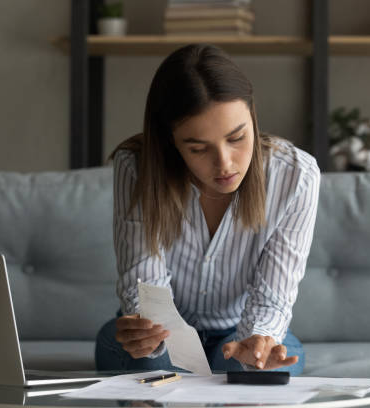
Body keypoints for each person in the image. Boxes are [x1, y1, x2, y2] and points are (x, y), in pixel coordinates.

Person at [95, 43, 320, 375]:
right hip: (163, 334)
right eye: (198, 148)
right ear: (171, 142)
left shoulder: (296, 176)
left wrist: (257, 342)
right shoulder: (138, 168)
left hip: (241, 327)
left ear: (253, 117)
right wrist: (149, 337)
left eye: (237, 138)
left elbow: (272, 299)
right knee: (150, 363)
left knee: (257, 369)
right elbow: (145, 291)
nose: (225, 164)